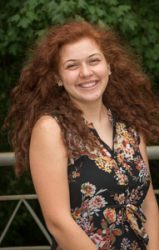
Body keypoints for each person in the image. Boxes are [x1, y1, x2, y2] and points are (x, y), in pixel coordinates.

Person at [4, 20, 159, 250]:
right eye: (72, 66)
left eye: (94, 61)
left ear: (108, 66)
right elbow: (58, 222)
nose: (86, 73)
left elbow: (148, 203)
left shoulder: (128, 123)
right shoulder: (51, 129)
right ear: (58, 77)